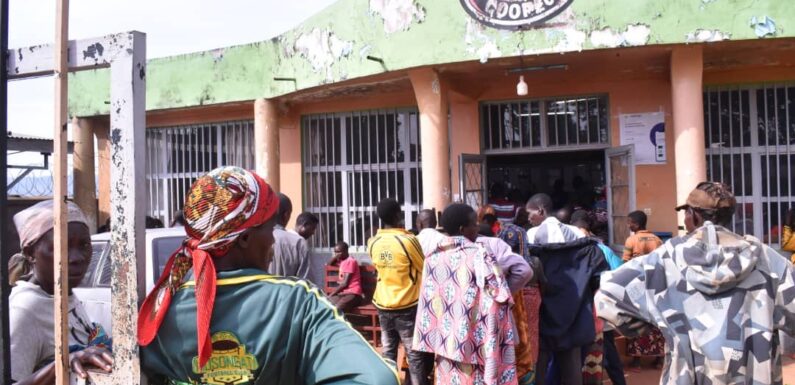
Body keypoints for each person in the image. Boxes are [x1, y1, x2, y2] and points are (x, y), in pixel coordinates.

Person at [138, 166, 398, 385]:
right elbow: (378, 379)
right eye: (268, 228)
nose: (273, 240)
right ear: (245, 238)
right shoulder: (298, 303)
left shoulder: (161, 308)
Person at [596, 181, 795, 384]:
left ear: (695, 215)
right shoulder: (767, 260)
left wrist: (649, 324)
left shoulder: (666, 258)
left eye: (686, 213)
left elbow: (609, 295)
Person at [413, 203, 519, 385]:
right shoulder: (480, 255)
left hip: (446, 344)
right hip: (475, 346)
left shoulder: (433, 257)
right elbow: (498, 299)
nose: (478, 227)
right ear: (463, 229)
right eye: (474, 224)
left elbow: (429, 300)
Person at [10, 200, 113, 384]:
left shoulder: (64, 296)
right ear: (30, 253)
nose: (77, 258)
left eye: (84, 246)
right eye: (62, 247)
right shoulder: (25, 310)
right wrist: (60, 365)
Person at [525, 193, 607, 385]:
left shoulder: (531, 236)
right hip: (574, 310)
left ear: (541, 211)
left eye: (530, 214)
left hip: (543, 311)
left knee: (540, 365)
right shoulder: (579, 235)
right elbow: (598, 275)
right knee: (571, 367)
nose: (529, 218)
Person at [367, 198, 432, 385]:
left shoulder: (373, 241)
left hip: (383, 304)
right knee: (415, 357)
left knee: (388, 353)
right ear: (398, 215)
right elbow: (424, 268)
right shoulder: (408, 240)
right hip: (407, 305)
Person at [571, 210, 626, 385]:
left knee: (591, 355)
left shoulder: (572, 249)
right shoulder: (603, 248)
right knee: (607, 353)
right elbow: (619, 272)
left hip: (585, 311)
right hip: (602, 309)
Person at [621, 210, 664, 371]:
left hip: (636, 286)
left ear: (636, 224)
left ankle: (637, 361)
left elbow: (625, 264)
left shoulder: (631, 240)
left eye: (629, 222)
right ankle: (659, 359)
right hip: (654, 285)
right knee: (656, 321)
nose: (628, 225)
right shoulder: (657, 240)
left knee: (636, 321)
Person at [269, 193, 311, 279]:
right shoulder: (298, 242)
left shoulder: (251, 240)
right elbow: (304, 281)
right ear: (286, 215)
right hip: (288, 291)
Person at [327, 241, 364, 313]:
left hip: (353, 294)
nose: (337, 254)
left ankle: (339, 323)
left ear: (346, 251)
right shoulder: (342, 261)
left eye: (338, 252)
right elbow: (329, 264)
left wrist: (331, 294)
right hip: (343, 293)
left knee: (337, 308)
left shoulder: (350, 261)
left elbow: (345, 283)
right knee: (327, 303)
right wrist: (335, 256)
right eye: (335, 252)